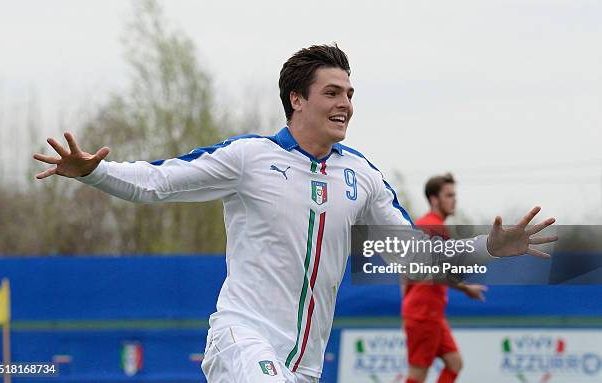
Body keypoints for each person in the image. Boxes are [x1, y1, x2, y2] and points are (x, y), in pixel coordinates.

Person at [33, 44, 556, 383]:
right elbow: (157, 184)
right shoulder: (249, 157)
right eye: (332, 92)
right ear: (296, 100)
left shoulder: (363, 176)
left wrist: (489, 249)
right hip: (242, 341)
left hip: (306, 365)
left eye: (350, 94)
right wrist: (91, 172)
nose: (346, 103)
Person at [401, 174, 486, 383]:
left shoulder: (425, 225)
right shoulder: (433, 228)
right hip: (424, 312)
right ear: (434, 199)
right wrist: (467, 289)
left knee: (454, 362)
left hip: (429, 312)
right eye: (448, 195)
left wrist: (406, 303)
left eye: (454, 195)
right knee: (417, 374)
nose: (454, 199)